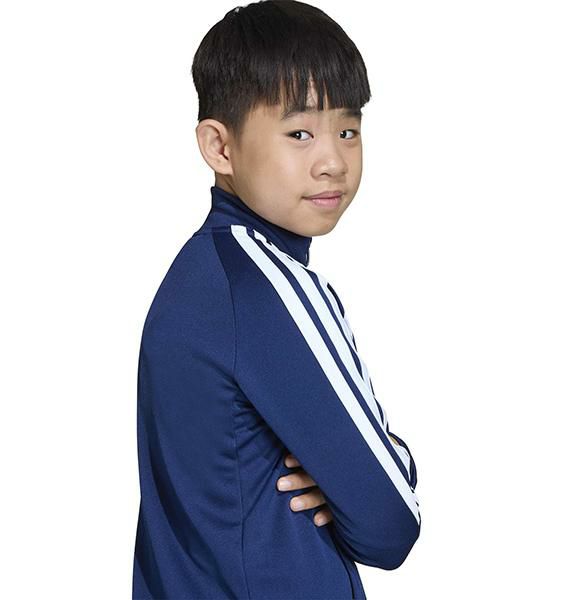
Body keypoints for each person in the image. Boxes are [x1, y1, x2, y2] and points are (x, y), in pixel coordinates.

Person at [132, 1, 421, 598]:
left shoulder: (202, 275)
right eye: (299, 133)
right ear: (220, 147)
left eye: (348, 130)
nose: (333, 161)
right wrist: (381, 467)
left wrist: (353, 474)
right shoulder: (263, 288)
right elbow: (391, 524)